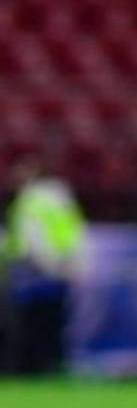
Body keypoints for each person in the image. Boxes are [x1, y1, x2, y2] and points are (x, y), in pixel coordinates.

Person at [3, 158, 87, 375]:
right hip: (61, 268)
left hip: (35, 270)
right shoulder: (62, 197)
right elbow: (74, 232)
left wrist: (46, 264)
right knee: (55, 321)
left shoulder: (31, 199)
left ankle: (30, 366)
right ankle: (52, 363)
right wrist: (73, 266)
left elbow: (33, 237)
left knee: (31, 322)